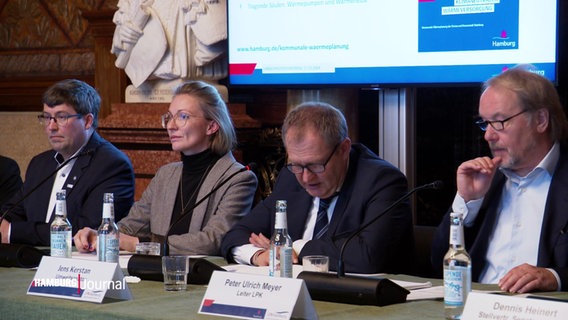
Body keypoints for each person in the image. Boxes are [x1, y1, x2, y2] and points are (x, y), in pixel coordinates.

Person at [221, 102, 413, 274]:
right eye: (297, 165)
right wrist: (258, 255)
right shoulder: (290, 177)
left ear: (344, 149)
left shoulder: (382, 182)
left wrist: (294, 248)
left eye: (316, 165)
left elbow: (367, 257)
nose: (305, 177)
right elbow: (236, 235)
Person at [74, 81, 258, 256]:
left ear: (211, 126)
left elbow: (213, 241)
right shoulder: (166, 174)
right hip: (153, 273)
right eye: (169, 117)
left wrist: (139, 245)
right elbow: (131, 227)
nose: (171, 126)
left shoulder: (238, 178)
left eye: (183, 116)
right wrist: (101, 235)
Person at [431, 65, 568, 293]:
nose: (488, 135)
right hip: (475, 307)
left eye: (500, 121)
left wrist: (554, 277)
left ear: (541, 120)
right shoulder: (486, 182)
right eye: (485, 123)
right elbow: (438, 263)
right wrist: (467, 200)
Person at [0, 79, 135, 245]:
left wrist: (13, 232)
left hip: (77, 265)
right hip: (31, 261)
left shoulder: (112, 165)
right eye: (47, 117)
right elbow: (12, 212)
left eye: (61, 117)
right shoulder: (40, 163)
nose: (51, 126)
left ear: (87, 121)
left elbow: (87, 231)